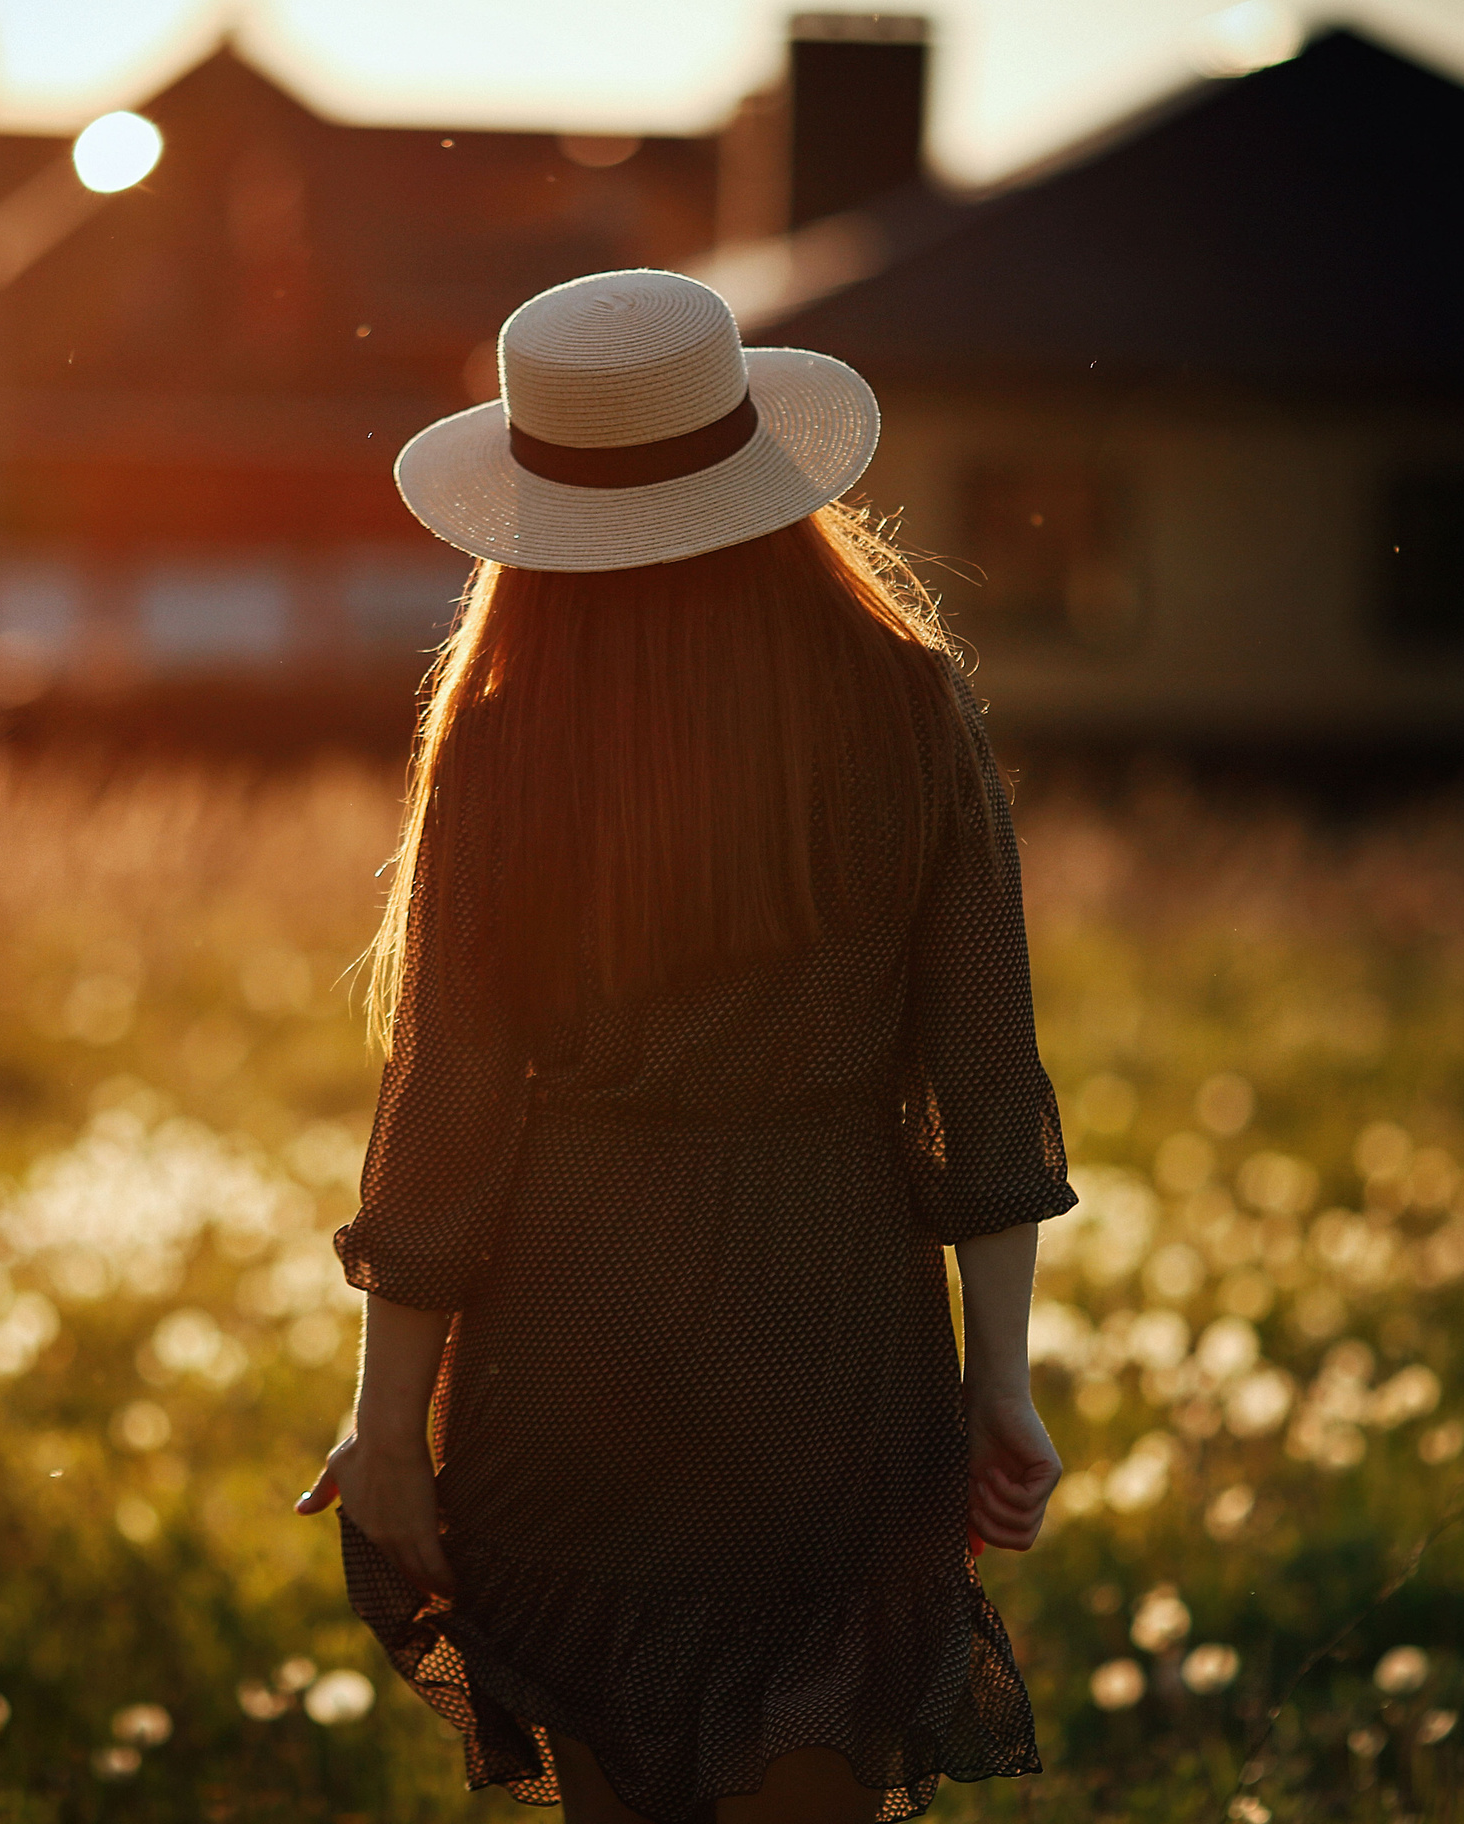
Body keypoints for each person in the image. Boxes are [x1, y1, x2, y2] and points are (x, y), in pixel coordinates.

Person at [294, 269, 1075, 1824]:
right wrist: (1001, 1381)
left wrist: (387, 1427)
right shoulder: (911, 703)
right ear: (766, 470)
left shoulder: (503, 731)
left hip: (570, 1347)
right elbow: (986, 1080)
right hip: (835, 1334)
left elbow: (442, 1105)